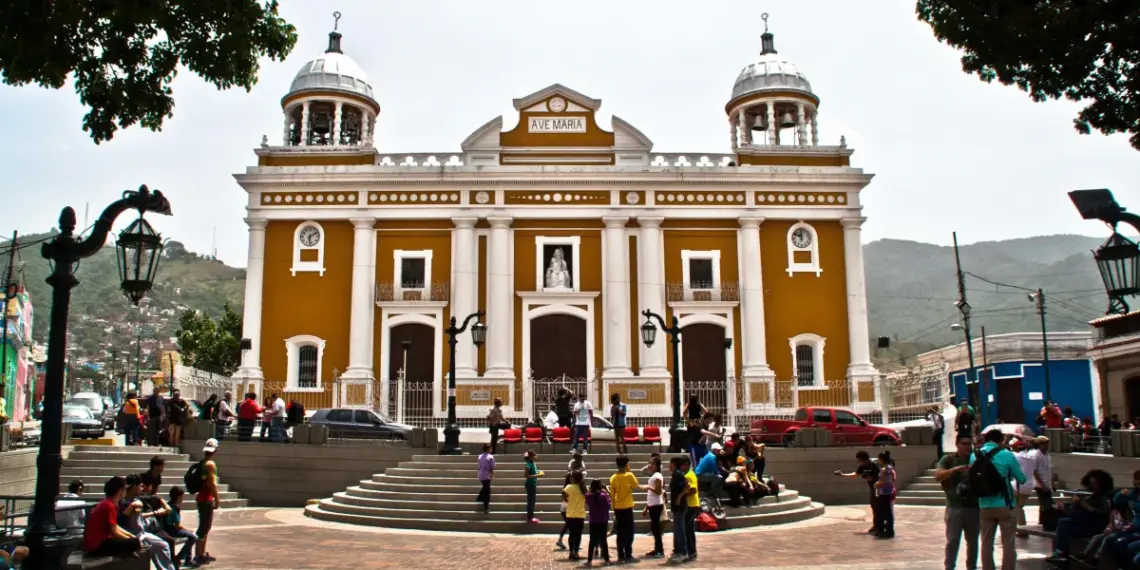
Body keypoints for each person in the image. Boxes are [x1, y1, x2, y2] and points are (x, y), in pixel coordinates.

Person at [972, 428, 1027, 570]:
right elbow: (1021, 479)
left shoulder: (975, 455)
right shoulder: (1007, 454)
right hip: (1005, 503)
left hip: (984, 503)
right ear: (1001, 440)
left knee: (986, 543)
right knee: (1008, 543)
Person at [1046, 469, 1113, 565]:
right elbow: (1079, 514)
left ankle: (1061, 553)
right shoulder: (1092, 495)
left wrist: (1083, 505)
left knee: (1064, 524)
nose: (1092, 486)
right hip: (1086, 523)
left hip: (1098, 527)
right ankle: (1061, 554)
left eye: (1094, 483)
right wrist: (1071, 507)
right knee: (1063, 523)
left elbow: (1101, 516)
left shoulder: (1106, 497)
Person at [935, 433, 980, 570]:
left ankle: (971, 566)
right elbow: (938, 476)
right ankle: (949, 567)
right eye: (964, 444)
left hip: (974, 506)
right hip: (955, 506)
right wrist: (956, 470)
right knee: (953, 540)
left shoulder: (976, 459)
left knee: (973, 542)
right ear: (957, 445)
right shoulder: (948, 459)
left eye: (969, 444)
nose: (967, 447)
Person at [118, 474, 176, 570]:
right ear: (134, 486)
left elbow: (154, 497)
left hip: (142, 533)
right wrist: (132, 506)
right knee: (157, 547)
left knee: (163, 545)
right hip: (131, 534)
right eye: (140, 486)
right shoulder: (123, 501)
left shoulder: (137, 499)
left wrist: (157, 511)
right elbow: (121, 520)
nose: (142, 488)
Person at [83, 476, 141, 558]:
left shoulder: (108, 503)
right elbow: (115, 532)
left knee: (134, 540)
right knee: (135, 543)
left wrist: (130, 536)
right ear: (120, 490)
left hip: (98, 543)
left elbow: (115, 526)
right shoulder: (109, 506)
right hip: (98, 546)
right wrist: (130, 540)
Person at [834, 450, 881, 535]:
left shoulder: (873, 465)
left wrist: (871, 478)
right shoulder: (862, 467)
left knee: (878, 507)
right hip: (872, 488)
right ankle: (876, 525)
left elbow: (880, 476)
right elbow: (855, 474)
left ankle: (880, 526)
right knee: (874, 506)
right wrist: (842, 475)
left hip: (879, 488)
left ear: (864, 459)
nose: (858, 462)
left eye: (859, 460)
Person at [195, 438, 221, 564]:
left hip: (203, 497)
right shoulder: (210, 464)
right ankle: (198, 554)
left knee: (205, 527)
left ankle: (201, 553)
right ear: (215, 450)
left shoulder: (203, 462)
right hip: (205, 498)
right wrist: (217, 499)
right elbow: (212, 484)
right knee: (204, 527)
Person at [609, 455, 639, 563]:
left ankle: (620, 555)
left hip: (618, 507)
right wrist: (629, 470)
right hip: (628, 507)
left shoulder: (613, 478)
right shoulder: (629, 475)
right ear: (626, 464)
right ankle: (628, 553)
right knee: (629, 531)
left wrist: (613, 508)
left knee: (620, 532)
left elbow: (612, 495)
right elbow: (636, 485)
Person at [162, 486, 200, 568]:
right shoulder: (173, 508)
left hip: (168, 528)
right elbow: (177, 526)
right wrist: (188, 529)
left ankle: (188, 560)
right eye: (182, 496)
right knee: (193, 537)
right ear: (178, 497)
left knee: (189, 535)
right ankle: (180, 557)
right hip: (171, 530)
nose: (183, 498)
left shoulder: (169, 505)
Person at [642, 456, 666, 559]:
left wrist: (648, 487)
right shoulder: (654, 475)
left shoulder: (658, 476)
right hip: (652, 504)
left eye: (652, 464)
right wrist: (646, 508)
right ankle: (657, 548)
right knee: (654, 528)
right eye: (650, 463)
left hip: (656, 505)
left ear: (657, 466)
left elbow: (658, 491)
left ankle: (660, 550)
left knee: (656, 529)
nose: (650, 466)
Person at [668, 456, 689, 563]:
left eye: (670, 463)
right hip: (676, 507)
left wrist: (679, 497)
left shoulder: (679, 474)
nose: (668, 465)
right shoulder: (675, 474)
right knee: (677, 529)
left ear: (674, 464)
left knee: (680, 529)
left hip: (680, 506)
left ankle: (683, 552)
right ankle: (677, 551)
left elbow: (687, 486)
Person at [586, 478, 612, 566]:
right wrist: (605, 492)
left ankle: (589, 560)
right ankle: (607, 559)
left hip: (593, 520)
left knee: (592, 541)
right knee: (603, 540)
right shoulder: (603, 495)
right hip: (603, 520)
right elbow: (608, 506)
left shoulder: (588, 496)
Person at [564, 470, 587, 561]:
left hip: (570, 514)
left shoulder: (568, 487)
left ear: (573, 478)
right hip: (580, 514)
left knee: (572, 534)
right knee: (578, 534)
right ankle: (576, 552)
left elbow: (564, 499)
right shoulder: (583, 488)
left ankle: (571, 552)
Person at [873, 450, 896, 539]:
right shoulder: (890, 468)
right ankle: (890, 530)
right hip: (889, 492)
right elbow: (892, 479)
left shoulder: (883, 469)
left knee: (881, 512)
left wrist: (876, 484)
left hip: (883, 493)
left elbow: (882, 482)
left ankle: (881, 530)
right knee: (888, 513)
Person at [682, 455, 700, 562]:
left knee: (688, 529)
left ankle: (691, 551)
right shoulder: (690, 474)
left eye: (683, 465)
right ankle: (691, 550)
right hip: (692, 504)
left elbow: (693, 490)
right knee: (689, 529)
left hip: (691, 505)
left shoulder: (689, 475)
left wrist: (683, 494)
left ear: (687, 465)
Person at [523, 449, 544, 523]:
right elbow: (526, 475)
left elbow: (533, 471)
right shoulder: (528, 464)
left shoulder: (533, 463)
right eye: (534, 455)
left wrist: (539, 472)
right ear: (531, 457)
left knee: (532, 501)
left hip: (533, 484)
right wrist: (538, 475)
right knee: (531, 501)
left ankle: (531, 516)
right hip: (530, 484)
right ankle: (530, 517)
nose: (536, 456)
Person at [475, 443, 494, 513]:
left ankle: (479, 498)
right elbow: (492, 467)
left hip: (480, 475)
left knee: (485, 488)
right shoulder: (490, 457)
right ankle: (486, 508)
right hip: (486, 475)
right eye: (490, 448)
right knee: (487, 492)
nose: (491, 449)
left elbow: (479, 466)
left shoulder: (480, 456)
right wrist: (491, 475)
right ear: (488, 449)